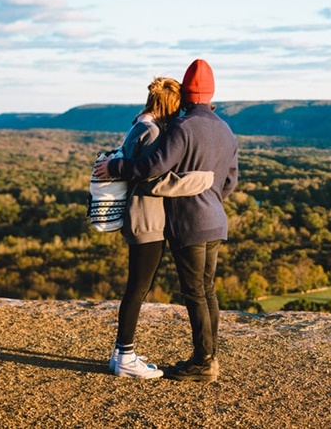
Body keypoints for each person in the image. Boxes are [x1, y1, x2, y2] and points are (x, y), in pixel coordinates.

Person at [95, 59, 238, 383]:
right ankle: (208, 357)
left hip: (189, 222)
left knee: (195, 294)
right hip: (215, 218)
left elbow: (152, 167)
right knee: (208, 291)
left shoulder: (183, 127)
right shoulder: (226, 130)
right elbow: (230, 181)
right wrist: (211, 198)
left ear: (187, 93)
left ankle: (203, 363)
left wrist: (116, 167)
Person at [108, 76, 214, 379]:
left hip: (138, 216)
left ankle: (121, 354)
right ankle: (125, 357)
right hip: (147, 219)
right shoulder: (153, 131)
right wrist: (202, 180)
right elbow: (155, 179)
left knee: (137, 286)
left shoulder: (138, 124)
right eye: (178, 105)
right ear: (169, 103)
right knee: (138, 288)